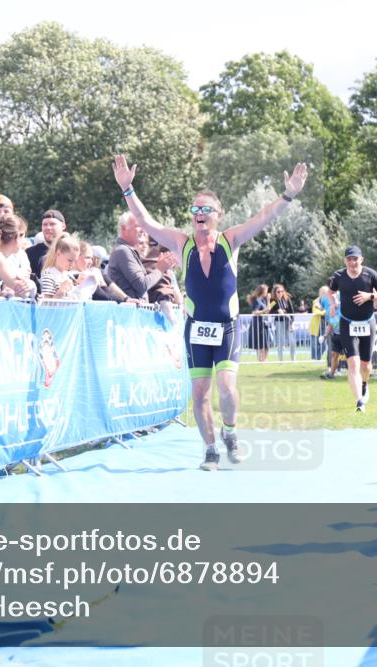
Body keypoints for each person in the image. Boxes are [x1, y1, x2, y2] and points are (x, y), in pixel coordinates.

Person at [113, 153, 307, 470]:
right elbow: (147, 221)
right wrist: (127, 188)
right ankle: (211, 450)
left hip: (227, 328)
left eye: (206, 210)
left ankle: (230, 432)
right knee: (200, 392)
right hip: (196, 329)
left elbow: (264, 217)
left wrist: (288, 194)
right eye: (195, 209)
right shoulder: (181, 243)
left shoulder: (231, 240)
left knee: (227, 389)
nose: (199, 214)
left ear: (219, 214)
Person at [327, 246, 377, 412]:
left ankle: (364, 383)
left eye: (355, 258)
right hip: (347, 323)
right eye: (349, 259)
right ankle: (359, 401)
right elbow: (330, 291)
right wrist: (333, 303)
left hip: (367, 323)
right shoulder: (338, 276)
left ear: (361, 259)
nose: (352, 262)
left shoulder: (370, 274)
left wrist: (370, 296)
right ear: (345, 260)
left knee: (366, 365)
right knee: (353, 364)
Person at [107, 212, 178, 300]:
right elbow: (142, 285)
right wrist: (160, 269)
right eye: (138, 225)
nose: (143, 230)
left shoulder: (126, 251)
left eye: (144, 226)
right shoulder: (123, 251)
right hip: (130, 312)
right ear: (124, 228)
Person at [0, 215, 37, 297]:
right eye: (24, 236)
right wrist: (29, 283)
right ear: (17, 236)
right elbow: (22, 291)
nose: (25, 241)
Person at [27, 209, 65, 287]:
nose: (48, 227)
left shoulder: (72, 251)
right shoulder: (30, 253)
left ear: (63, 226)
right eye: (45, 224)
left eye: (52, 224)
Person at [268, 283, 296, 359]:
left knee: (292, 341)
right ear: (275, 292)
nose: (280, 293)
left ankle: (293, 359)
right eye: (278, 292)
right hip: (279, 322)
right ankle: (280, 360)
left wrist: (292, 322)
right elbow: (269, 311)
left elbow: (292, 311)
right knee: (280, 342)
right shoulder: (273, 301)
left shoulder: (287, 299)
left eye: (282, 291)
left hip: (288, 321)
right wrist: (278, 311)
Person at [246, 284, 272, 363]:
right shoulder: (256, 300)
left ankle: (263, 361)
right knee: (260, 344)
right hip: (258, 324)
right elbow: (254, 312)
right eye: (266, 290)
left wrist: (268, 300)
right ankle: (261, 361)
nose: (267, 292)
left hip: (264, 323)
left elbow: (267, 311)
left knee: (266, 344)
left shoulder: (263, 300)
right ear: (262, 291)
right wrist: (265, 310)